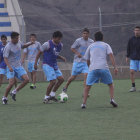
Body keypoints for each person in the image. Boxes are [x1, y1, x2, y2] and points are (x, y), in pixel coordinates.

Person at [81, 31, 118, 109]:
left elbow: (87, 59)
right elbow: (111, 55)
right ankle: (112, 99)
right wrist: (115, 67)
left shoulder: (90, 46)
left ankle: (84, 104)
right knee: (110, 84)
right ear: (103, 38)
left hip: (93, 68)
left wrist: (89, 67)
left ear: (94, 39)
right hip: (104, 67)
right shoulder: (106, 45)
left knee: (87, 86)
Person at [2, 32, 34, 104]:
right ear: (12, 38)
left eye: (18, 38)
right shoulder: (8, 46)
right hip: (11, 66)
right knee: (11, 83)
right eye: (16, 38)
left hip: (18, 66)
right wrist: (9, 67)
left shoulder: (19, 42)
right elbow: (5, 58)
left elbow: (23, 46)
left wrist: (30, 43)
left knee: (26, 80)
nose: (18, 39)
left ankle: (14, 92)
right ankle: (4, 98)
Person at [34, 31, 66, 103]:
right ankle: (46, 97)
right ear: (54, 38)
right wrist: (35, 63)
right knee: (53, 81)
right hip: (47, 65)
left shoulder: (60, 45)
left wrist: (61, 57)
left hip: (54, 65)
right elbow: (39, 53)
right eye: (58, 39)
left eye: (60, 39)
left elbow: (55, 54)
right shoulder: (47, 44)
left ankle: (52, 95)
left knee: (61, 79)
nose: (59, 40)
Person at [63, 28, 94, 95]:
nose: (85, 35)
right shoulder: (78, 41)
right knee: (73, 77)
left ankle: (85, 93)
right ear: (82, 34)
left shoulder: (91, 42)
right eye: (84, 33)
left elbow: (93, 50)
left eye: (86, 33)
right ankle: (66, 86)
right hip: (78, 62)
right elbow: (72, 48)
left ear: (89, 34)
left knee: (86, 75)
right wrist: (77, 53)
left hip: (86, 62)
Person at [126, 26, 140, 92]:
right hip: (133, 58)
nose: (137, 31)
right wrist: (127, 56)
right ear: (134, 31)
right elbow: (128, 48)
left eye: (138, 30)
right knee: (131, 72)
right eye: (135, 30)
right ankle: (133, 87)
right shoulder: (131, 39)